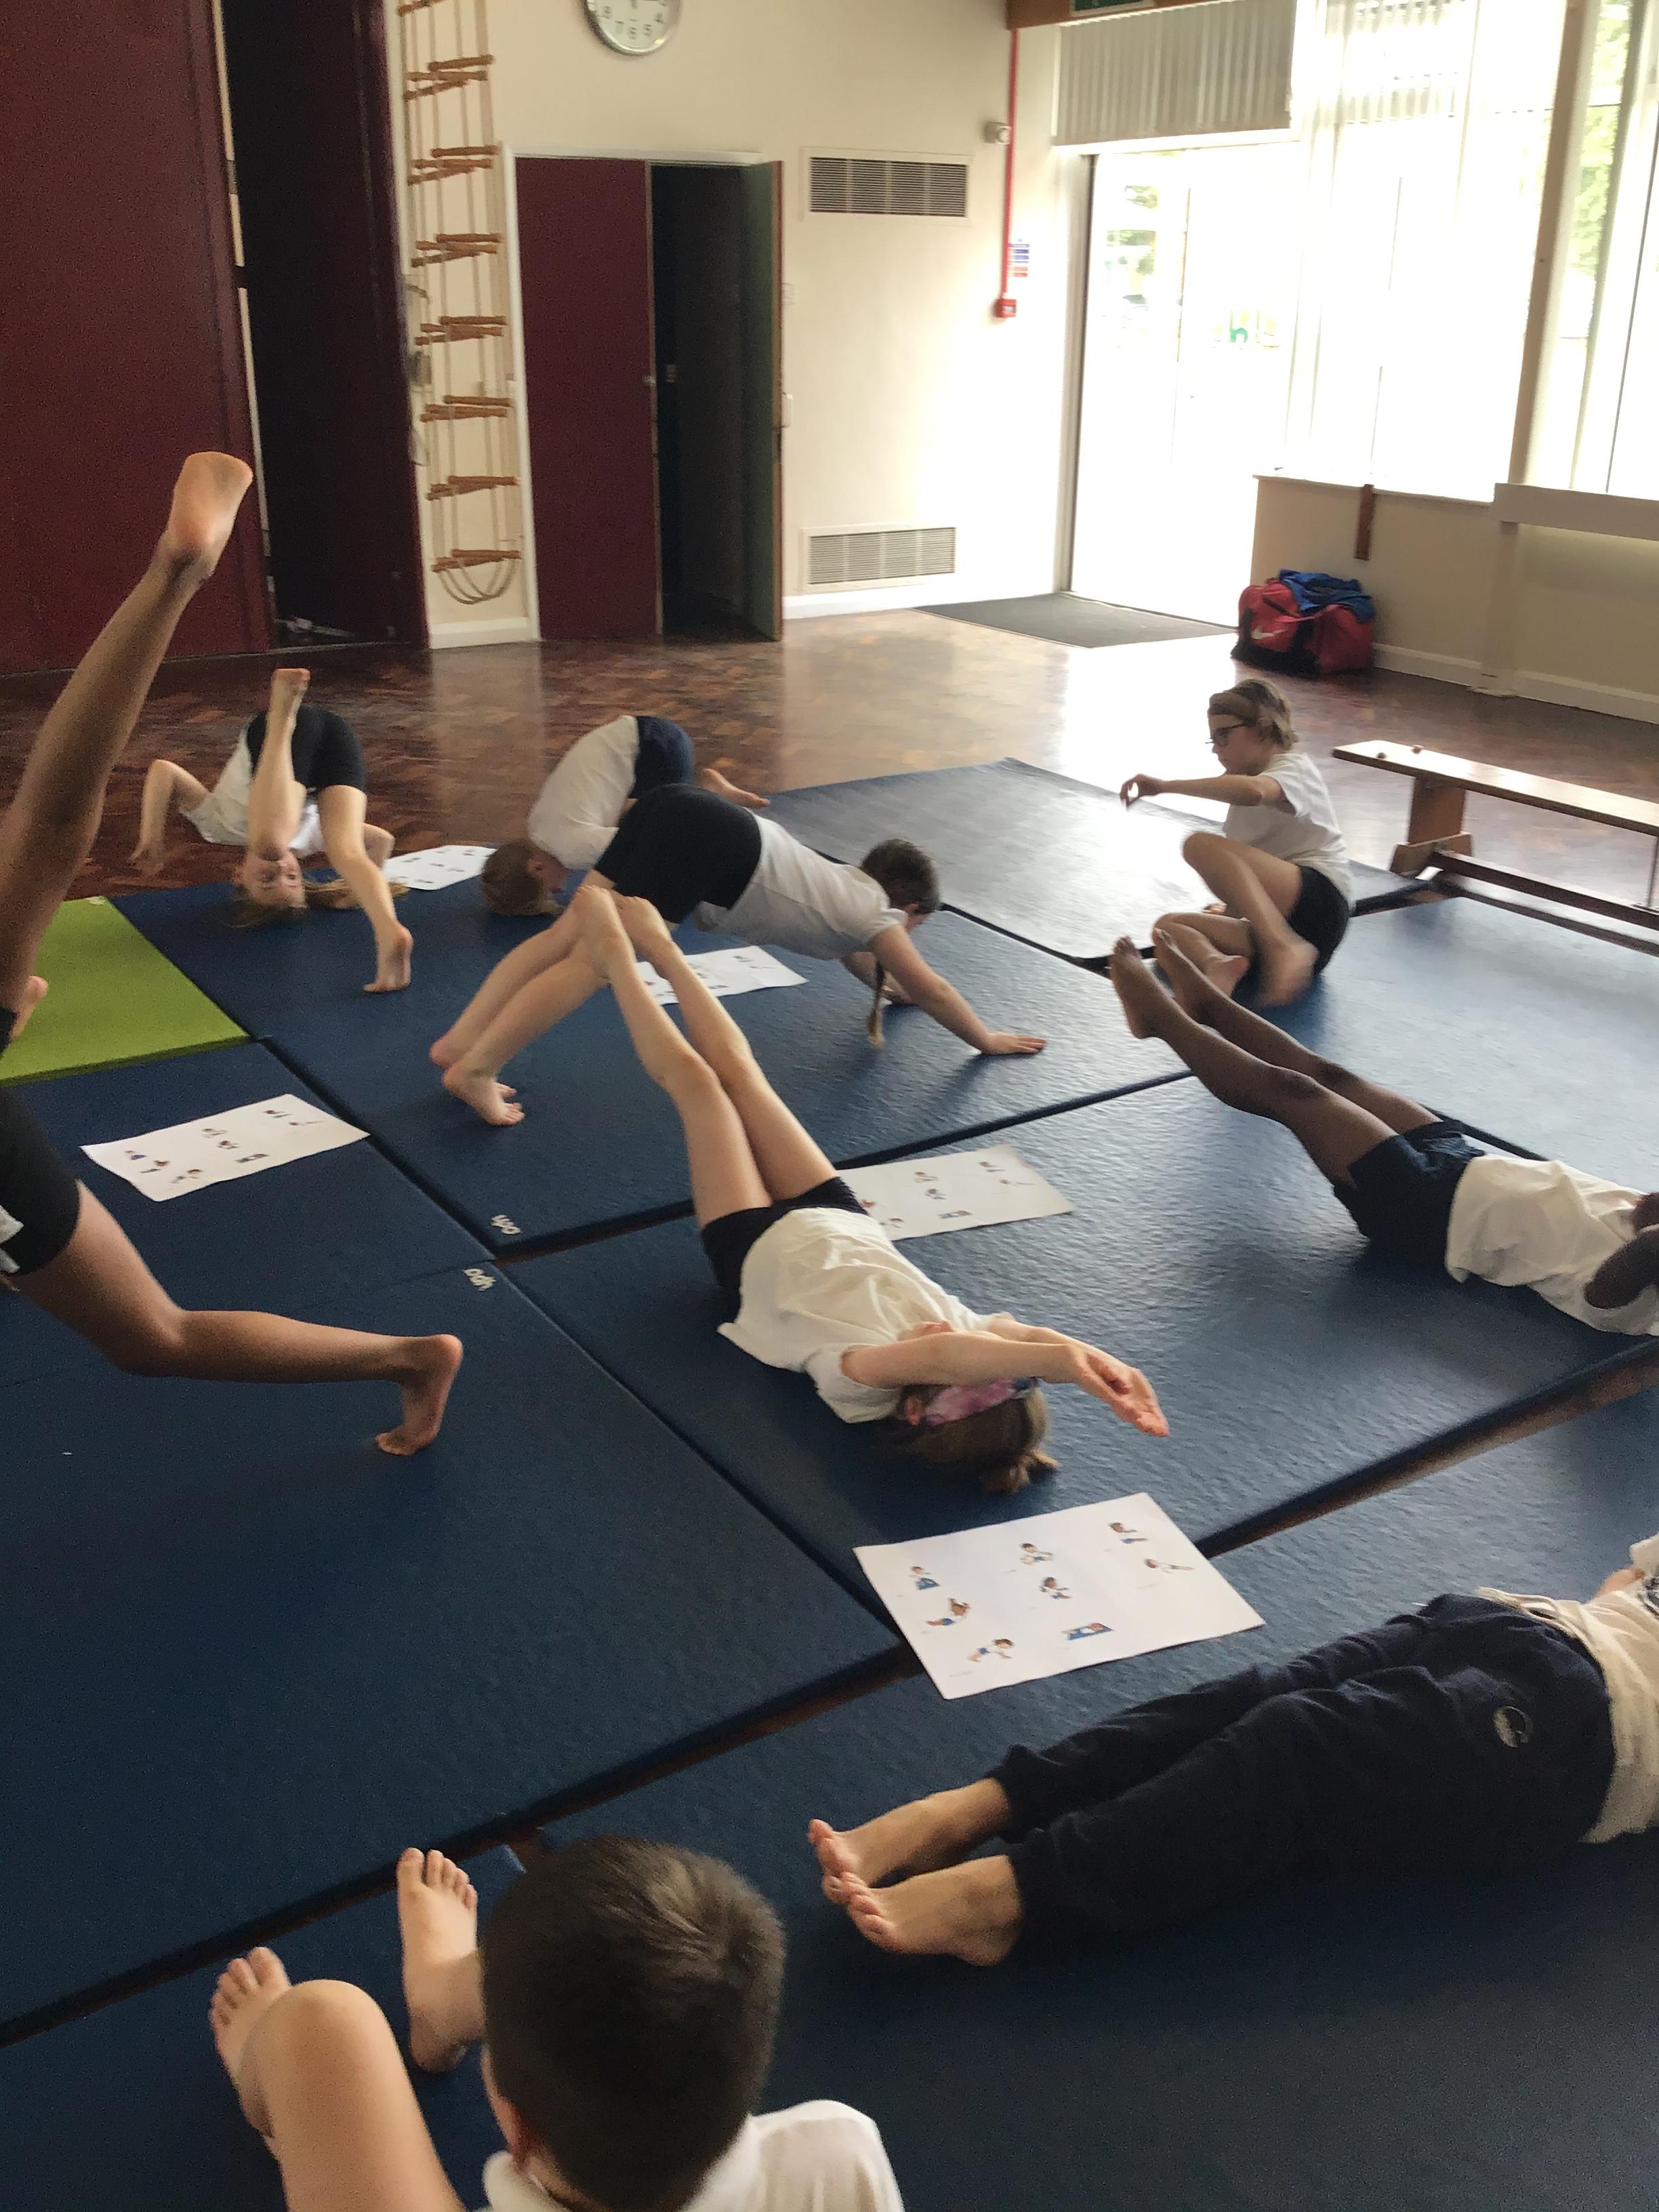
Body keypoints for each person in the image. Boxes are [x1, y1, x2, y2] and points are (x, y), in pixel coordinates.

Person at [0, 453, 459, 1453]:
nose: (277, 874)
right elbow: (53, 821)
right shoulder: (268, 839)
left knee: (152, 1336)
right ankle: (175, 572)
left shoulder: (265, 837)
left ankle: (411, 1357)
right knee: (44, 826)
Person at [809, 1532, 1659, 1965]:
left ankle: (1010, 1898)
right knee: (1257, 1694)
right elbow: (1625, 1584)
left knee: (1299, 1742)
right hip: (1517, 1621)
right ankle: (979, 1808)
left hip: (1590, 1729)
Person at [562, 886, 1163, 1493]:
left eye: (970, 1353)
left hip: (750, 1246)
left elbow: (949, 1356)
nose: (960, 1333)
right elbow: (1023, 1341)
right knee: (743, 1075)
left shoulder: (858, 1387)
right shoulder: (957, 1329)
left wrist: (1058, 1364)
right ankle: (664, 952)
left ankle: (618, 960)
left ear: (913, 1408)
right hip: (837, 1214)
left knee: (700, 1086)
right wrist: (1095, 1362)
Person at [210, 1840, 905, 2212]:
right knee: (607, 1966)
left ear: (516, 2130)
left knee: (321, 2027)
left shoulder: (841, 2145)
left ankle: (292, 2094)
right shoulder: (838, 2153)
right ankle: (440, 2001)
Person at [1109, 929, 1659, 1334]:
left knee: (1296, 1094)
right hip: (1468, 1162)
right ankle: (1209, 1006)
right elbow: (1645, 1211)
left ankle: (1161, 1020)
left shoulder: (1638, 1307)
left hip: (1426, 1213)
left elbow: (1610, 1288)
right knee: (1330, 1076)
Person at [434, 787, 1046, 1127]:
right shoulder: (880, 917)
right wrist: (984, 1038)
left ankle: (462, 1042)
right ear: (909, 909)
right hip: (716, 840)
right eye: (918, 927)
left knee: (566, 934)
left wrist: (891, 992)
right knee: (596, 963)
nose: (910, 938)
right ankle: (478, 1069)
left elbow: (860, 959)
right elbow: (934, 988)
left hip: (682, 808)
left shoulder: (847, 894)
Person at [132, 667, 413, 994]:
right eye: (293, 877)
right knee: (347, 852)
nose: (280, 868)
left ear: (239, 875)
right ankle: (387, 927)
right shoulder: (309, 840)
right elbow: (382, 841)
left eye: (267, 879)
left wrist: (151, 837)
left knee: (271, 845)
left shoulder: (216, 828)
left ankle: (282, 715)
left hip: (276, 735)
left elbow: (165, 771)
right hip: (336, 739)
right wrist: (354, 893)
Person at [1119, 678, 1352, 1006]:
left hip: (1321, 906)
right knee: (1166, 930)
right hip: (1291, 931)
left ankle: (1281, 945)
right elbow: (1249, 873)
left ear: (1262, 730)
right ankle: (1219, 964)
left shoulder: (1293, 768)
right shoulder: (1243, 793)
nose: (1216, 748)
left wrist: (1165, 786)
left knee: (1198, 845)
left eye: (1223, 736)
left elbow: (1255, 793)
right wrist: (1231, 912)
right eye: (1212, 739)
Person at [479, 711, 766, 916]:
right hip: (645, 737)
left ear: (537, 868)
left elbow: (648, 846)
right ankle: (708, 792)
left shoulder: (572, 850)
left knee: (679, 831)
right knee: (644, 821)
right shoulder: (538, 828)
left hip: (656, 749)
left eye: (550, 890)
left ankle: (708, 799)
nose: (560, 889)